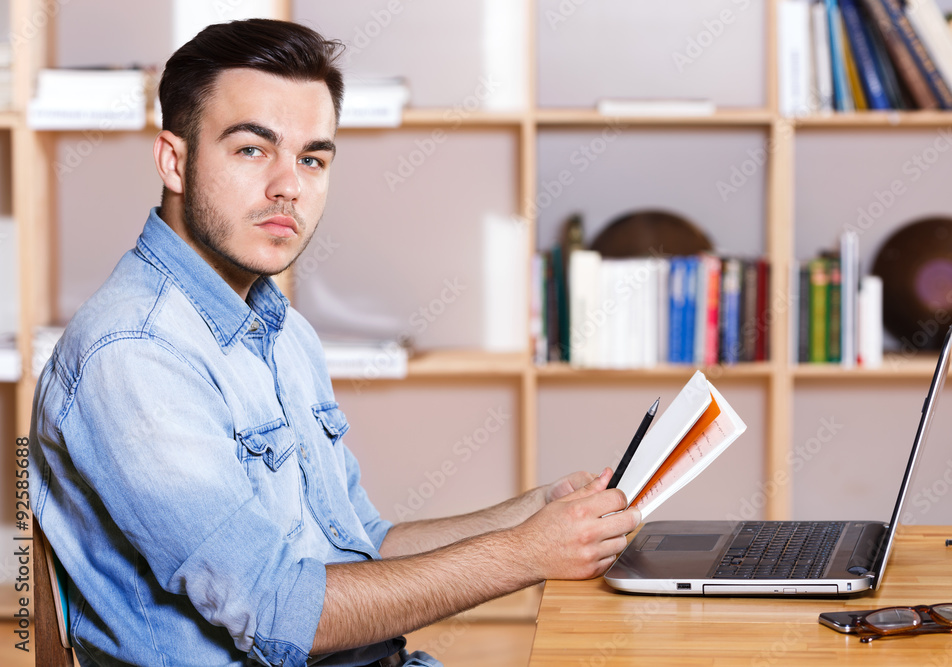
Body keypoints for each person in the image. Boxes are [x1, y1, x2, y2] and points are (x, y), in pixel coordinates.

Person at [28, 18, 640, 667]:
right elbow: (282, 610)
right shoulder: (135, 354)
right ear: (173, 160)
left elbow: (361, 545)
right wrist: (523, 554)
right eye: (252, 149)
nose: (289, 185)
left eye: (312, 158)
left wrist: (530, 516)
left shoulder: (281, 331)